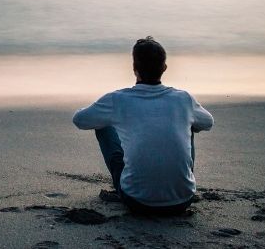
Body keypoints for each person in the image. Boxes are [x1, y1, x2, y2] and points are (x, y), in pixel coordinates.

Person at [72, 37, 213, 216]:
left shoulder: (118, 99)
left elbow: (80, 120)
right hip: (182, 200)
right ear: (164, 68)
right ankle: (177, 180)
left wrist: (109, 115)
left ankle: (133, 177)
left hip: (137, 201)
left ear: (134, 69)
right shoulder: (183, 99)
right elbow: (208, 122)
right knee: (192, 125)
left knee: (102, 126)